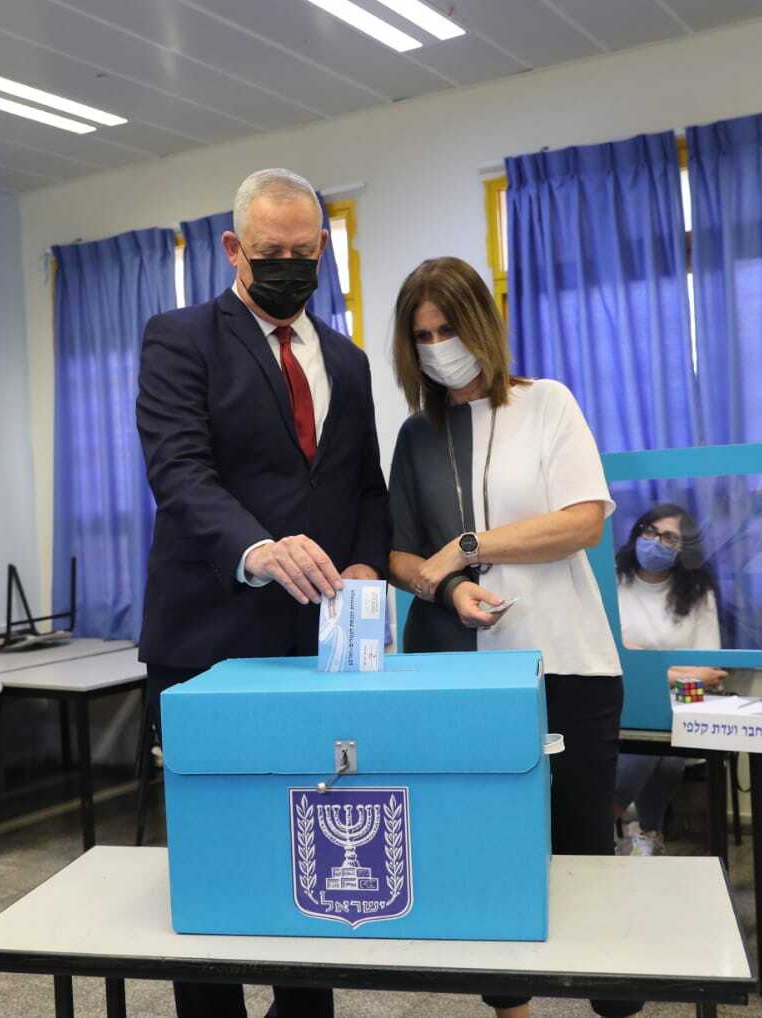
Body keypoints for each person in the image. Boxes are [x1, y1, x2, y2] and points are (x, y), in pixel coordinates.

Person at [135, 168, 389, 1018]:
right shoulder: (180, 339)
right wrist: (258, 548)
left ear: (323, 247)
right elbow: (178, 471)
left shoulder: (346, 360)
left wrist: (362, 562)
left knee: (314, 837)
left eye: (300, 250)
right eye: (267, 251)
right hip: (207, 635)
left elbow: (364, 487)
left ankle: (303, 1004)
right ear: (233, 248)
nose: (286, 263)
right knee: (217, 849)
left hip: (313, 647)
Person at [384, 257, 637, 1018]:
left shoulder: (547, 404)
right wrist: (449, 586)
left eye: (448, 329)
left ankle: (612, 1000)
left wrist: (465, 547)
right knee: (485, 845)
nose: (437, 347)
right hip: (458, 673)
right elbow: (399, 553)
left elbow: (581, 522)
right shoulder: (415, 435)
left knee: (584, 841)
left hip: (567, 662)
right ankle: (509, 1008)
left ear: (482, 327)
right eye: (421, 335)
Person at [611, 504, 726, 856]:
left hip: (680, 702)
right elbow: (611, 657)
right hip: (620, 697)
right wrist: (675, 673)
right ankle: (640, 830)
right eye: (649, 531)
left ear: (684, 548)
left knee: (664, 743)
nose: (656, 542)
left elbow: (711, 672)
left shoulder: (697, 591)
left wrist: (648, 666)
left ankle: (624, 828)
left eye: (669, 537)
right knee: (655, 744)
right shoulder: (611, 580)